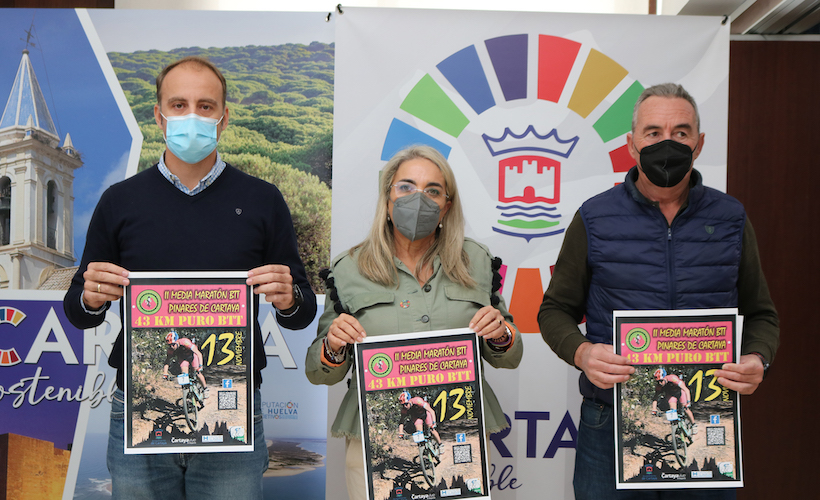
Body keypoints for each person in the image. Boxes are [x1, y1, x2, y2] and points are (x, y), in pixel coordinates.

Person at [63, 56, 317, 500]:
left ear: (223, 118)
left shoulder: (263, 200)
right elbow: (79, 313)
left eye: (205, 105)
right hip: (140, 404)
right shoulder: (119, 202)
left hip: (231, 403)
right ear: (158, 115)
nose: (191, 116)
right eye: (178, 105)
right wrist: (90, 298)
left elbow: (301, 313)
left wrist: (288, 297)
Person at [537, 83, 779, 499]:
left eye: (680, 132)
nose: (667, 143)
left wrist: (758, 357)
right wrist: (582, 352)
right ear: (632, 145)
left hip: (704, 420)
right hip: (611, 422)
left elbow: (761, 314)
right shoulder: (594, 217)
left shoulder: (730, 218)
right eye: (653, 133)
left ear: (699, 144)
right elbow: (554, 310)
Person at [305, 145, 523, 500]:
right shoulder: (348, 269)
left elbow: (509, 356)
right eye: (406, 187)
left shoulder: (477, 261)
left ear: (446, 206)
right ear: (387, 198)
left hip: (458, 432)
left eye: (433, 190)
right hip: (375, 437)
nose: (418, 199)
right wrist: (332, 346)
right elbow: (318, 372)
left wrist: (501, 334)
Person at [162, 331, 208, 396]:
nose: (172, 347)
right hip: (183, 358)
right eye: (170, 345)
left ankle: (205, 388)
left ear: (177, 341)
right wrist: (165, 373)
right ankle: (187, 393)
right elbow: (167, 361)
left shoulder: (185, 342)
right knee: (184, 375)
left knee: (197, 373)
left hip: (193, 355)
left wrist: (200, 365)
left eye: (173, 344)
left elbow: (198, 354)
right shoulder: (170, 350)